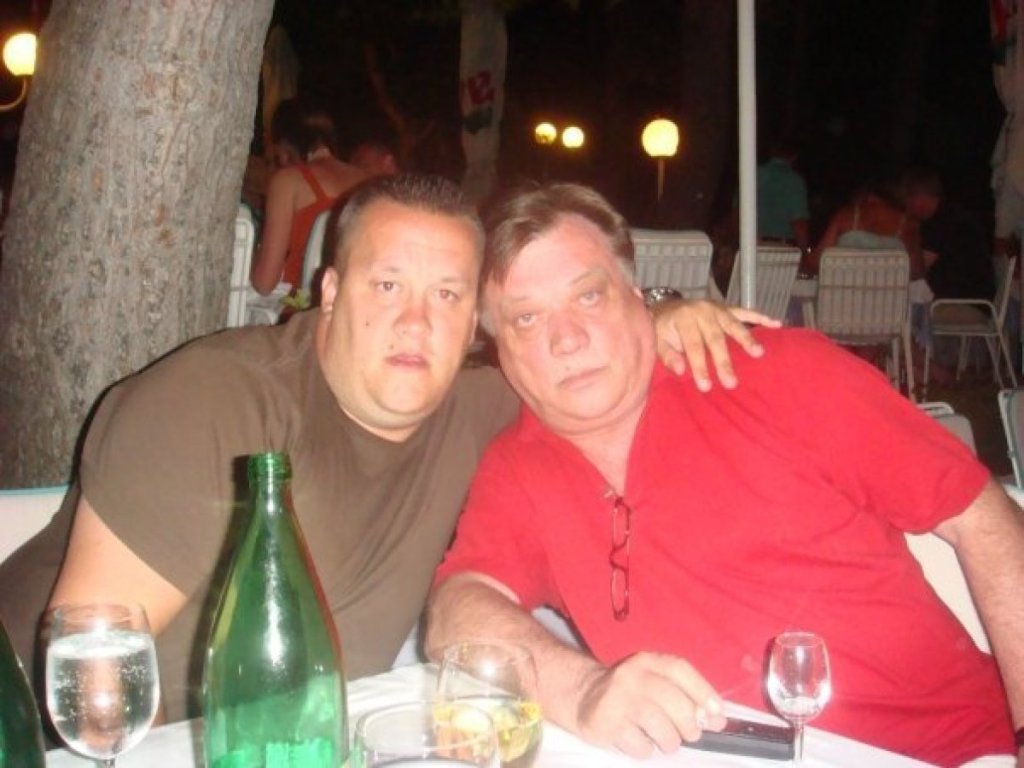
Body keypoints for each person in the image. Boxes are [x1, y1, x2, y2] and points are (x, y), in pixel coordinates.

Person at [0, 174, 772, 724]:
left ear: (474, 323)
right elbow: (92, 692)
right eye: (387, 286)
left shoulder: (479, 407)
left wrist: (661, 314)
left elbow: (588, 363)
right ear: (331, 292)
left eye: (447, 295)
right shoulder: (212, 405)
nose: (415, 324)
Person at [426, 182, 1022, 767]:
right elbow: (458, 608)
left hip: (947, 753)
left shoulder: (779, 374)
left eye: (589, 296)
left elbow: (983, 516)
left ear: (636, 294)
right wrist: (582, 691)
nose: (566, 339)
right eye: (526, 318)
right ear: (498, 347)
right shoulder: (518, 465)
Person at [249, 105, 366, 295]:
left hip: (302, 304)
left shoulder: (288, 181)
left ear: (284, 145)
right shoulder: (367, 180)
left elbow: (264, 282)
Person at [902, 167, 996, 302]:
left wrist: (910, 230)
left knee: (903, 307)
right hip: (962, 298)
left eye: (907, 199)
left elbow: (917, 271)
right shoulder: (947, 213)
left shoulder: (942, 221)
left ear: (919, 197)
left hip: (963, 303)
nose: (906, 207)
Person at [807, 184, 926, 279]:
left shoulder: (846, 215)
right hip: (890, 300)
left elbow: (817, 261)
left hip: (843, 297)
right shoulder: (909, 225)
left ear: (868, 197)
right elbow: (917, 272)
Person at [756, 139, 810, 252]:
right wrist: (804, 251)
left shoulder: (754, 174)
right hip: (781, 247)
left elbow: (737, 211)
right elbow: (799, 223)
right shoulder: (794, 181)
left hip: (752, 244)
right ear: (794, 156)